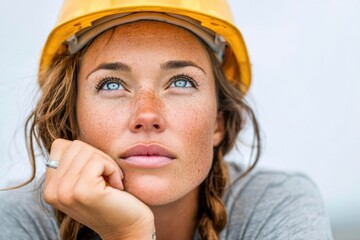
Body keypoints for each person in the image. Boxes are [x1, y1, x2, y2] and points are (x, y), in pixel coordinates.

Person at [0, 0, 333, 239]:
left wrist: (125, 235)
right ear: (71, 120)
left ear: (218, 122)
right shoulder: (17, 222)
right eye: (112, 84)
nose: (147, 115)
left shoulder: (276, 205)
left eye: (181, 82)